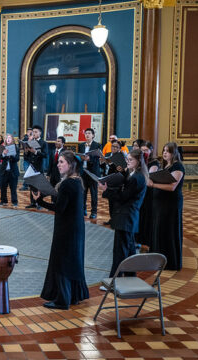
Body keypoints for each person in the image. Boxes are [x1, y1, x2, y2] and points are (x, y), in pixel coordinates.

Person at [33, 151, 89, 310]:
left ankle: (62, 300)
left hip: (66, 229)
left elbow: (60, 208)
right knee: (72, 261)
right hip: (75, 227)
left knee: (62, 262)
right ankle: (73, 296)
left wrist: (40, 202)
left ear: (71, 165)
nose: (58, 164)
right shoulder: (77, 181)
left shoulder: (67, 184)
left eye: (62, 162)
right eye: (58, 162)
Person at [98, 149, 148, 279]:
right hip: (128, 217)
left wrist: (106, 190)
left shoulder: (136, 177)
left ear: (138, 161)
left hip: (126, 217)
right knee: (129, 248)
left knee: (120, 251)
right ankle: (131, 276)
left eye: (131, 160)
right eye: (127, 159)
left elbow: (123, 196)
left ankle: (114, 281)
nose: (128, 162)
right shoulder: (136, 175)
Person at [150, 142, 185, 271]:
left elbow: (172, 187)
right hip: (161, 203)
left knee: (169, 230)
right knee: (160, 229)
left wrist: (153, 184)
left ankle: (170, 262)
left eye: (168, 151)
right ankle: (159, 259)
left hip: (171, 204)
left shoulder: (178, 166)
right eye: (164, 150)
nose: (164, 153)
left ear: (174, 153)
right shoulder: (166, 166)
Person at [136, 141, 159, 250]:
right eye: (142, 150)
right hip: (139, 191)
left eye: (146, 150)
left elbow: (148, 178)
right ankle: (138, 239)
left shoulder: (154, 163)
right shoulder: (139, 161)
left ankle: (146, 241)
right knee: (139, 215)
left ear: (151, 151)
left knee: (146, 216)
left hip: (148, 193)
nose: (144, 152)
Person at [78, 128, 102, 219]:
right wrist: (81, 158)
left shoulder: (97, 145)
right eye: (86, 133)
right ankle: (83, 210)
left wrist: (90, 159)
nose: (87, 135)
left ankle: (94, 212)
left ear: (93, 135)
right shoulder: (81, 145)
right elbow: (79, 156)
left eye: (89, 133)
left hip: (93, 172)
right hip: (83, 172)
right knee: (83, 192)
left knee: (93, 193)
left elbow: (98, 159)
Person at [24, 125, 47, 209]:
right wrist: (26, 152)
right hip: (31, 166)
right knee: (31, 185)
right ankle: (33, 202)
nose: (34, 133)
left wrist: (36, 152)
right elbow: (27, 157)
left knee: (38, 186)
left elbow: (45, 155)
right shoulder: (30, 142)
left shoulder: (43, 143)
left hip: (39, 166)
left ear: (40, 133)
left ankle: (40, 203)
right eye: (33, 132)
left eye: (36, 132)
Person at [0, 134, 19, 207]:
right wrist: (3, 154)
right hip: (4, 171)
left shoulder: (16, 147)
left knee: (13, 187)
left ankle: (14, 201)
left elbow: (17, 159)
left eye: (9, 138)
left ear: (12, 139)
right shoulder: (2, 147)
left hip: (13, 171)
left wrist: (11, 155)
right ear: (5, 140)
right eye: (7, 138)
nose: (8, 139)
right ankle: (3, 201)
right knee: (3, 187)